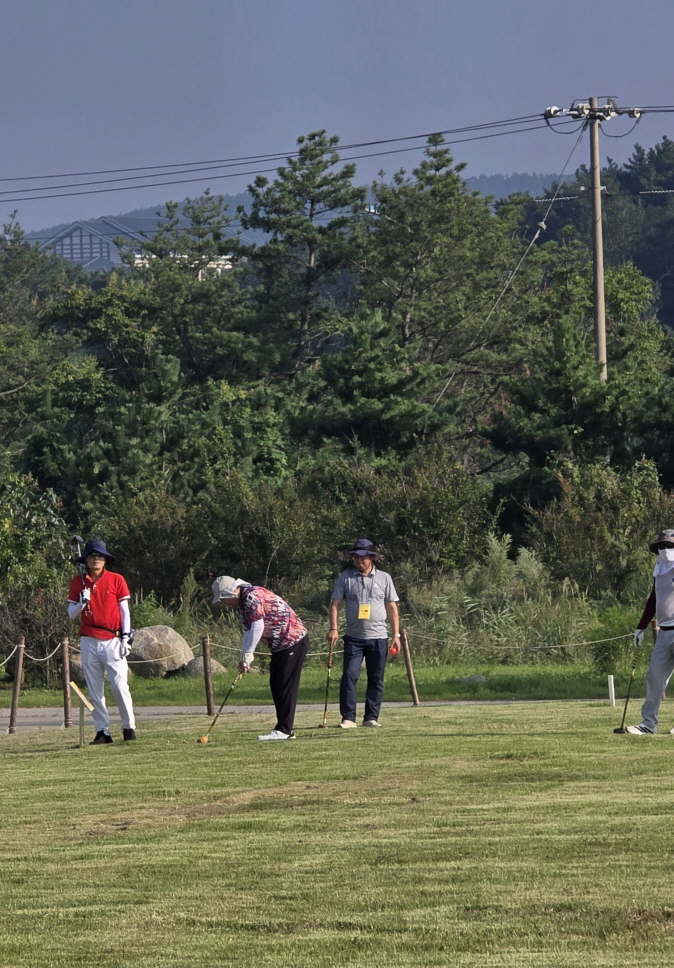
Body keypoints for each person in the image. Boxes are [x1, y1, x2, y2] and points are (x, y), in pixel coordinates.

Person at [212, 576, 310, 741]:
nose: (223, 604)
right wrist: (244, 656)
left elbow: (258, 626)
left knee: (284, 685)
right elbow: (248, 631)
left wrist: (249, 654)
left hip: (292, 641)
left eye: (223, 599)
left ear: (232, 592)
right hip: (281, 646)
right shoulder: (243, 604)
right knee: (277, 684)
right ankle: (284, 729)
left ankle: (285, 730)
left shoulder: (251, 596)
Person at [67, 539, 136, 744]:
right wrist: (82, 601)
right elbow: (71, 613)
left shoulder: (116, 579)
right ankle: (102, 731)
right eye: (91, 555)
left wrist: (126, 637)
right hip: (89, 639)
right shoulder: (78, 582)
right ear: (86, 560)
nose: (95, 559)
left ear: (105, 559)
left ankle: (128, 727)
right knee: (94, 690)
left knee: (119, 686)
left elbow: (124, 611)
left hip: (113, 639)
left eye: (99, 555)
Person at [328, 538, 400, 729]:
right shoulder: (346, 577)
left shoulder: (384, 578)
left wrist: (396, 635)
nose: (358, 560)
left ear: (371, 558)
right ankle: (348, 718)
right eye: (355, 557)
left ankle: (371, 717)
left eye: (362, 557)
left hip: (379, 637)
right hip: (354, 637)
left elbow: (391, 606)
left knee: (376, 678)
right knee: (349, 676)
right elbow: (335, 604)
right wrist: (334, 628)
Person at [627, 529, 674, 735]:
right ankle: (648, 724)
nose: (665, 549)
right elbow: (653, 600)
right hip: (664, 632)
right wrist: (641, 626)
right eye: (661, 546)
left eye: (670, 546)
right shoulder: (660, 570)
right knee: (654, 676)